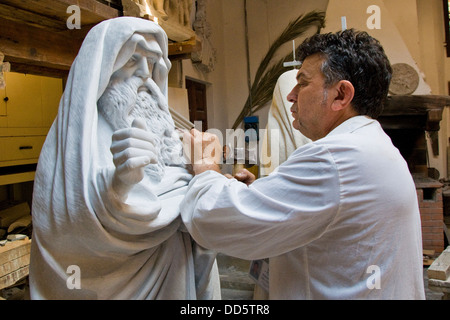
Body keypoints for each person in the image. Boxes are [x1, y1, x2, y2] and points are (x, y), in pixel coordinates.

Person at [181, 29, 425, 299]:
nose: (290, 96)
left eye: (303, 83)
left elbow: (215, 221)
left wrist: (205, 164)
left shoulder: (335, 158)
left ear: (341, 95)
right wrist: (264, 192)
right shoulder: (373, 144)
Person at [29, 17, 220, 300]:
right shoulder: (77, 139)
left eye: (152, 62)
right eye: (132, 60)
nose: (145, 74)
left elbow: (188, 196)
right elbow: (65, 226)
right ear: (104, 68)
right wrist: (120, 184)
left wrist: (206, 177)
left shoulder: (163, 128)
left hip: (176, 274)